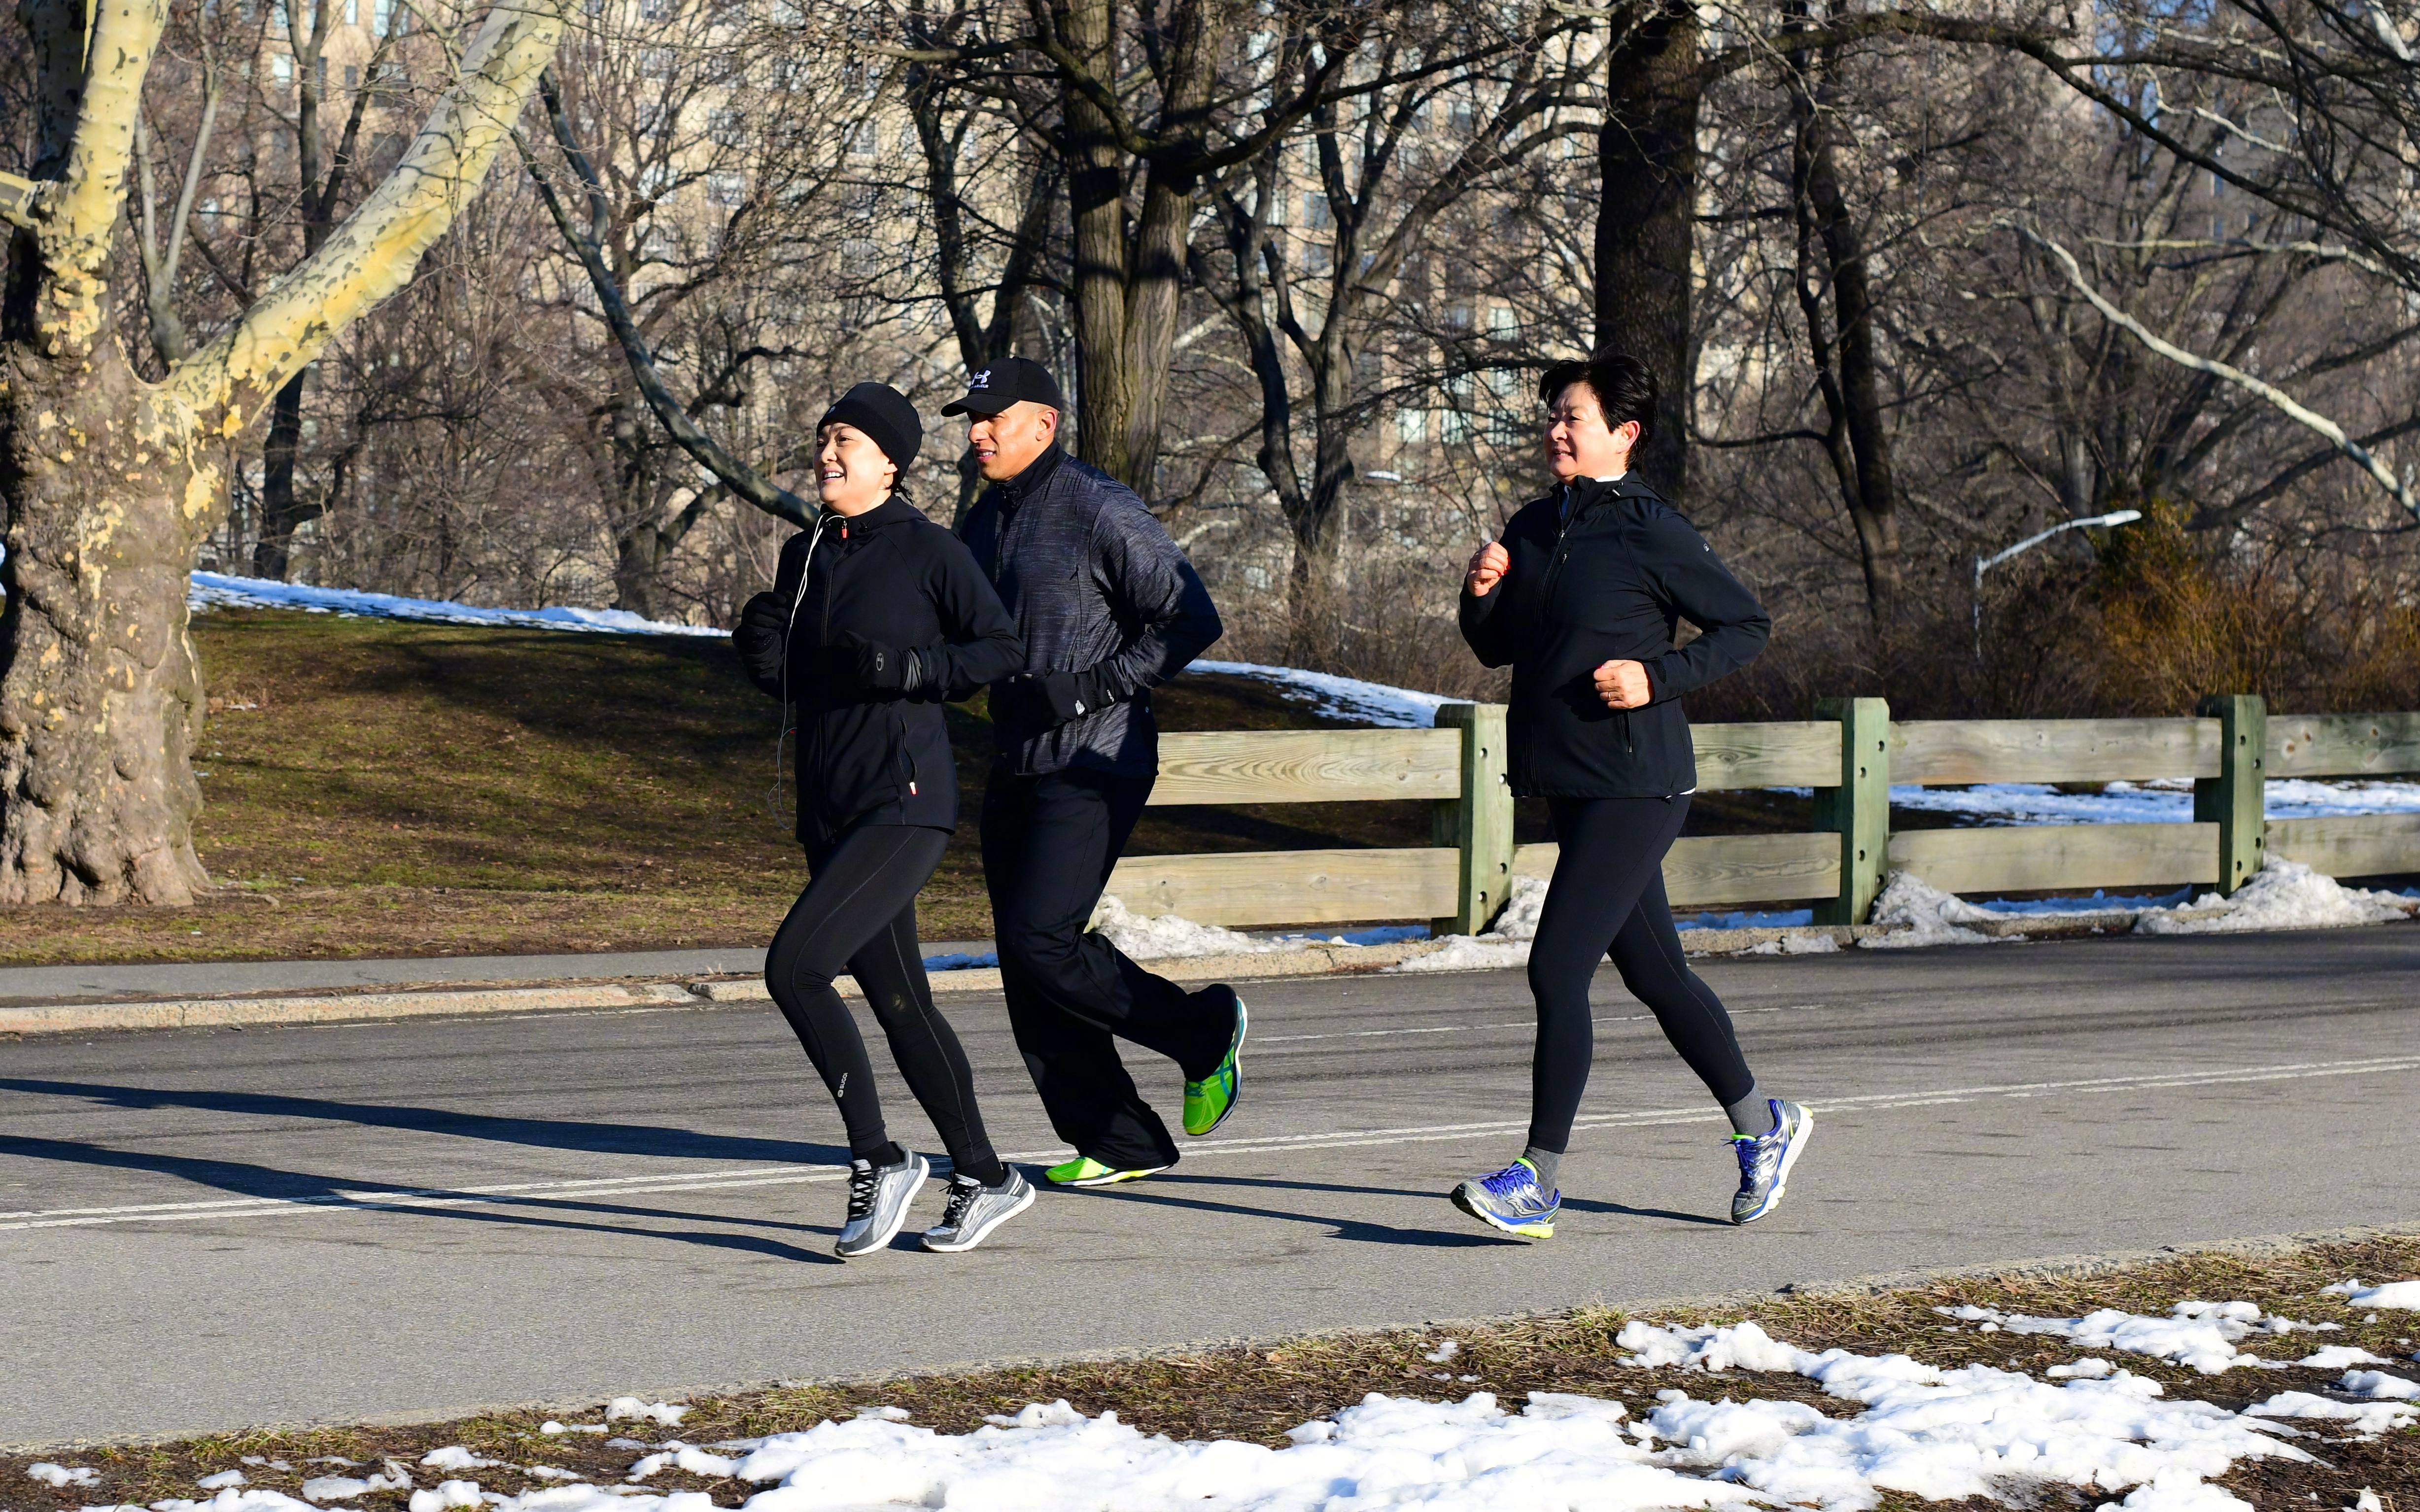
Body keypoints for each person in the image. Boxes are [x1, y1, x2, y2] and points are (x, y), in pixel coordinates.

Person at [1452, 350, 1811, 1240]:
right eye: (1551, 417)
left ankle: (1535, 1178)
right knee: (1656, 974)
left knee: (1555, 966)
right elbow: (1497, 651)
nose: (1554, 431)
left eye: (1572, 417)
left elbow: (1746, 626)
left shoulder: (1652, 529)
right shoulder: (1533, 525)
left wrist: (1657, 677)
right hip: (1569, 779)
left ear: (1624, 433)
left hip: (1638, 782)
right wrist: (1479, 596)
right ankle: (1763, 1124)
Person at [733, 381, 1032, 1258]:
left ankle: (880, 1156)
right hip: (827, 808)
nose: (827, 455)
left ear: (890, 462)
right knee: (900, 1000)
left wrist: (907, 669)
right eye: (824, 439)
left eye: (846, 441)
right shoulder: (806, 556)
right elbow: (804, 681)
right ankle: (985, 1175)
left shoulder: (929, 552)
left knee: (794, 969)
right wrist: (760, 654)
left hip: (902, 806)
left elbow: (999, 651)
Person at [943, 357, 1244, 1188]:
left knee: (1041, 938)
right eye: (970, 420)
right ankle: (1117, 1141)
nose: (975, 434)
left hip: (1098, 757)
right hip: (1018, 759)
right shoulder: (983, 520)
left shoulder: (1099, 506)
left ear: (1041, 424)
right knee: (1026, 957)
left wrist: (1093, 685)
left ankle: (1201, 1031)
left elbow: (1191, 617)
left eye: (989, 419)